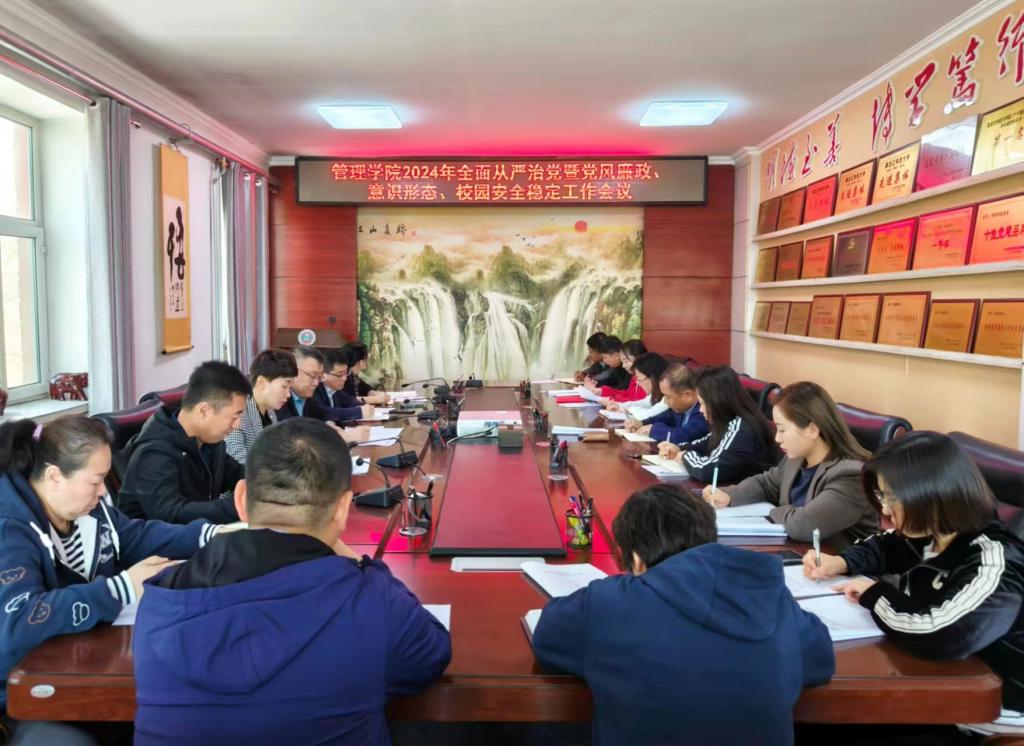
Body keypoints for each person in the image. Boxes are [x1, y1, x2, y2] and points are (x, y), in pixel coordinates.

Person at [133, 417, 452, 745]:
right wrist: (356, 560)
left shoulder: (160, 600)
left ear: (241, 499)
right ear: (343, 507)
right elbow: (432, 655)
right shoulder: (370, 599)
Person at [533, 484, 834, 745]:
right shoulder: (772, 600)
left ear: (636, 561)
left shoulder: (609, 603)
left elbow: (547, 637)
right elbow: (821, 659)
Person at [0, 416, 225, 745]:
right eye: (96, 481)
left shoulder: (86, 507)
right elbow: (19, 622)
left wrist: (213, 535)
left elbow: (135, 535)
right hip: (26, 693)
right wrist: (120, 588)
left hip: (87, 664)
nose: (104, 491)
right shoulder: (9, 529)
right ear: (54, 477)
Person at [805, 431, 1024, 738]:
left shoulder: (995, 560)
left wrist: (875, 595)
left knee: (830, 719)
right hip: (937, 679)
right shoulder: (931, 531)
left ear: (932, 495)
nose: (884, 510)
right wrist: (841, 562)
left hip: (992, 710)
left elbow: (942, 633)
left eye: (892, 499)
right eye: (881, 497)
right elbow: (885, 546)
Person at [704, 381, 876, 550]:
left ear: (812, 430)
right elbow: (766, 484)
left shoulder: (850, 476)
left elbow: (805, 525)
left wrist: (775, 511)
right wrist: (729, 495)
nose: (777, 438)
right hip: (800, 553)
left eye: (782, 430)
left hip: (839, 564)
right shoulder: (795, 459)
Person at [119, 361, 250, 524]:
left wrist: (269, 483)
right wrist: (239, 506)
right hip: (156, 539)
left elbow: (237, 473)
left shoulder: (208, 440)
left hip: (198, 533)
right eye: (234, 416)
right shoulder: (153, 453)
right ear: (204, 410)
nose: (237, 425)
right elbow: (173, 514)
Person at [658, 365, 779, 484]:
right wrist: (679, 448)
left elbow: (709, 470)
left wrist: (686, 456)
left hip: (745, 493)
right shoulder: (726, 421)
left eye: (703, 403)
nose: (700, 410)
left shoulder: (741, 428)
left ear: (717, 401)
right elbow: (706, 443)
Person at [276, 347, 369, 444]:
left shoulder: (306, 397)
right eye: (312, 376)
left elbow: (324, 413)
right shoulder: (280, 398)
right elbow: (292, 436)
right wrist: (341, 437)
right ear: (293, 371)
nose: (316, 383)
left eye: (319, 377)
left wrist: (329, 424)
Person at [225, 349, 297, 465]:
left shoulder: (270, 411)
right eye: (284, 386)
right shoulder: (238, 412)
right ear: (261, 382)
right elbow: (238, 459)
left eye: (290, 388)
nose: (288, 394)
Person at [632, 363, 708, 446]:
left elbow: (682, 436)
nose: (665, 401)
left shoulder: (704, 412)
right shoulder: (679, 408)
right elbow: (662, 418)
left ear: (687, 395)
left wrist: (654, 430)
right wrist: (641, 423)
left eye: (668, 396)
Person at [317, 348, 375, 422]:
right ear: (323, 374)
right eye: (340, 374)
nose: (345, 378)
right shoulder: (314, 389)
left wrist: (363, 406)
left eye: (346, 373)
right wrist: (358, 412)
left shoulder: (335, 390)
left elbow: (349, 400)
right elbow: (323, 413)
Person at [587, 339, 647, 404]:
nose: (623, 366)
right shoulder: (635, 376)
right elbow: (627, 393)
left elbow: (636, 402)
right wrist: (603, 391)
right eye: (623, 362)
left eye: (626, 361)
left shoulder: (646, 379)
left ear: (639, 359)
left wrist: (612, 399)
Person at [615, 352, 670, 422]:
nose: (637, 382)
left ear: (653, 378)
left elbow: (646, 416)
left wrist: (630, 409)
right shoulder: (656, 393)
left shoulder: (669, 395)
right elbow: (644, 403)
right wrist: (620, 405)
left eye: (639, 378)